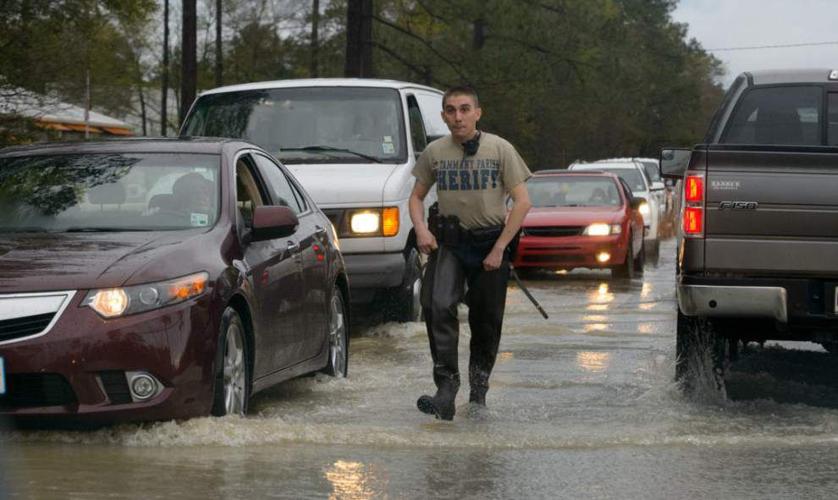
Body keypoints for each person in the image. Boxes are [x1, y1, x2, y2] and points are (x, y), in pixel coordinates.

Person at [408, 86, 532, 420]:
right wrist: (421, 229)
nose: (458, 117)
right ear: (443, 116)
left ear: (478, 113)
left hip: (490, 245)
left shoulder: (500, 149)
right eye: (451, 110)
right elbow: (416, 197)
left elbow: (523, 202)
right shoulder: (435, 152)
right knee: (436, 305)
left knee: (486, 321)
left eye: (464, 109)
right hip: (450, 245)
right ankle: (446, 390)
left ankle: (478, 393)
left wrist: (500, 248)